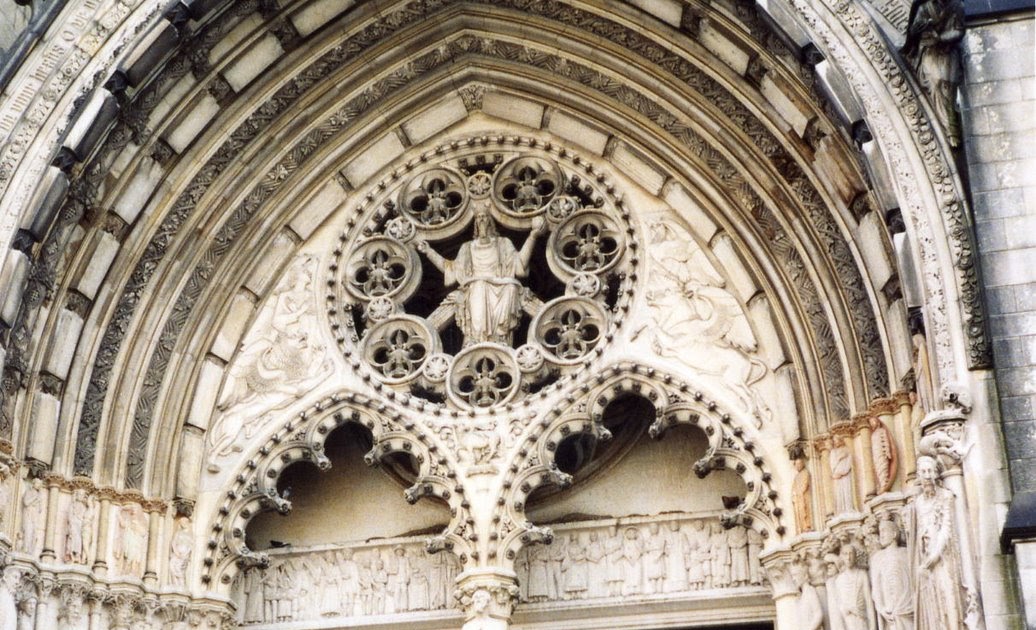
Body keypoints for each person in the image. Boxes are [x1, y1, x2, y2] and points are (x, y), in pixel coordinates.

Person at [416, 212, 545, 346]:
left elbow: (520, 266)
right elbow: (451, 270)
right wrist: (429, 252)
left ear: (491, 222)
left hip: (503, 285)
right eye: (479, 217)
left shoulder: (503, 243)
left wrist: (532, 236)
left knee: (511, 288)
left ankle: (500, 337)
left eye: (484, 217)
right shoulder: (467, 248)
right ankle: (476, 339)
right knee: (479, 286)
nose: (482, 220)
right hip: (476, 286)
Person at [902, 0, 965, 147]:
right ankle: (947, 130)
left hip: (948, 52)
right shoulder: (925, 8)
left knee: (949, 88)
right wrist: (917, 30)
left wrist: (941, 38)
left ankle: (952, 130)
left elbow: (959, 31)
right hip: (930, 51)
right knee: (936, 83)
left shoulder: (956, 5)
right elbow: (913, 32)